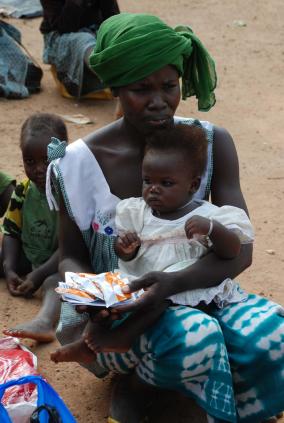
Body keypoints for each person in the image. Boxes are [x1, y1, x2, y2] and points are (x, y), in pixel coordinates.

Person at [23, 12, 284, 423]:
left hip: (199, 292)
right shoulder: (72, 166)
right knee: (194, 340)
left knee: (272, 335)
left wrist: (170, 285)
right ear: (115, 88)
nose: (159, 100)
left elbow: (241, 251)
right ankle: (139, 386)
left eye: (169, 85)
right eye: (141, 89)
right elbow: (71, 255)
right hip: (115, 314)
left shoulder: (211, 144)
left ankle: (194, 393)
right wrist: (97, 296)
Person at [53, 123, 254, 357]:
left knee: (160, 294)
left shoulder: (210, 216)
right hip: (143, 280)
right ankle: (88, 343)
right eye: (148, 180)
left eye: (166, 183)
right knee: (113, 291)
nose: (153, 189)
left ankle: (122, 337)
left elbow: (232, 250)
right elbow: (126, 256)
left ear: (193, 185)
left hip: (183, 287)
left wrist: (212, 229)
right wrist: (126, 249)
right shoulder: (137, 213)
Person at [1, 113, 68, 343]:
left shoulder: (70, 193)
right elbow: (11, 231)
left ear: (63, 153)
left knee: (55, 282)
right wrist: (9, 267)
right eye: (30, 161)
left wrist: (38, 275)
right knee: (4, 257)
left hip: (60, 262)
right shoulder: (24, 191)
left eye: (47, 160)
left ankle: (45, 322)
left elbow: (69, 247)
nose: (39, 169)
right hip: (30, 256)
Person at [39, 0, 120, 98]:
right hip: (61, 37)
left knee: (117, 36)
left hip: (94, 32)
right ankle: (113, 77)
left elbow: (113, 21)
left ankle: (121, 78)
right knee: (85, 40)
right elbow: (64, 27)